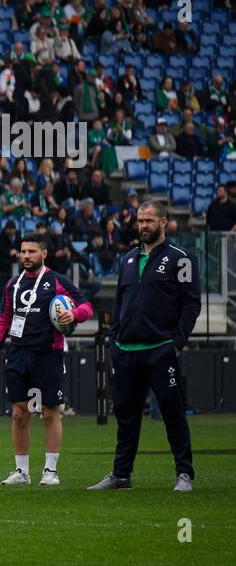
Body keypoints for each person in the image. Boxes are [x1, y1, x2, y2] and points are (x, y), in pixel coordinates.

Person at [90, 201, 201, 492]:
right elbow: (119, 302)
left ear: (164, 221)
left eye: (149, 220)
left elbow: (191, 303)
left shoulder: (182, 259)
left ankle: (184, 474)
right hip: (126, 350)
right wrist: (114, 337)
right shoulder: (127, 259)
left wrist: (177, 343)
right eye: (140, 221)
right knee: (126, 416)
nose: (143, 226)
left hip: (161, 348)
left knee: (172, 412)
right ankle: (121, 475)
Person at [0, 234, 93, 487]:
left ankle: (51, 471)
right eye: (23, 251)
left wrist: (73, 315)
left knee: (49, 412)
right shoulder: (13, 284)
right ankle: (22, 472)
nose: (26, 256)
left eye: (32, 252)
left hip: (48, 354)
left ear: (43, 254)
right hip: (17, 354)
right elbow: (3, 319)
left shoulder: (57, 281)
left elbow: (86, 306)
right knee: (18, 414)